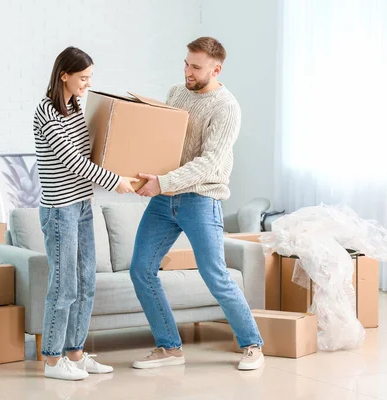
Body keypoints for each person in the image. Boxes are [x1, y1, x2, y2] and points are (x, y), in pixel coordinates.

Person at [130, 37, 265, 371]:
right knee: (141, 270)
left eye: (196, 67)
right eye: (186, 63)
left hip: (201, 199)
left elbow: (208, 163)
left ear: (216, 69)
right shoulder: (177, 93)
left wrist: (163, 182)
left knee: (215, 275)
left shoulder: (226, 107)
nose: (188, 71)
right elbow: (165, 142)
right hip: (164, 200)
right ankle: (169, 347)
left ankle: (252, 345)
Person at [33, 46, 138, 381]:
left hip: (81, 206)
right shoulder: (46, 113)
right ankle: (52, 360)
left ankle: (75, 354)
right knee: (64, 286)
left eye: (90, 77)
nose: (87, 84)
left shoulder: (76, 108)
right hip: (60, 210)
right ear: (64, 74)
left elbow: (91, 152)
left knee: (86, 282)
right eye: (83, 77)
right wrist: (115, 181)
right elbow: (74, 163)